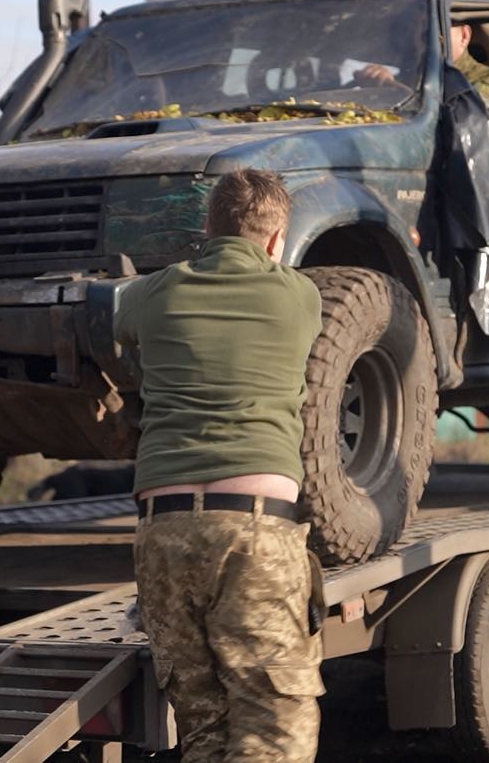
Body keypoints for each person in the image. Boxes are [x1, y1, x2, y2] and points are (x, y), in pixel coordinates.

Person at [115, 168, 324, 762]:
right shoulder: (299, 295)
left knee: (204, 728)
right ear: (277, 239)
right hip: (252, 536)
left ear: (207, 230)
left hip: (163, 534)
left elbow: (116, 320)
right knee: (274, 727)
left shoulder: (155, 293)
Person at [355, 15, 489, 127]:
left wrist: (392, 86)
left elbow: (469, 122)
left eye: (431, 34)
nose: (421, 43)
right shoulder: (410, 79)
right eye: (415, 35)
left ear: (464, 36)